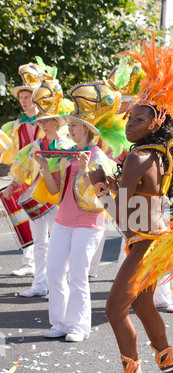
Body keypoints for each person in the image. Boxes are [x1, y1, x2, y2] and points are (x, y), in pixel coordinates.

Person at [96, 34, 173, 373]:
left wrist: (98, 184)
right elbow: (141, 204)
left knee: (113, 308)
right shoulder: (161, 153)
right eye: (129, 116)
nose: (129, 122)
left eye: (138, 118)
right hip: (155, 242)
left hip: (144, 245)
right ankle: (169, 372)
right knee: (140, 304)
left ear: (157, 121)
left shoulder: (140, 156)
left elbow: (120, 211)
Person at [34, 81, 120, 342]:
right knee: (55, 272)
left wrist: (86, 171)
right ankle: (59, 322)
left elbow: (103, 195)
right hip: (62, 221)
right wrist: (45, 169)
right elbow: (54, 190)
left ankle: (79, 326)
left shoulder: (100, 158)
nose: (68, 128)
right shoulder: (67, 153)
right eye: (69, 125)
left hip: (88, 224)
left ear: (86, 129)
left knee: (78, 276)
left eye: (72, 125)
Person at [9, 77, 73, 297]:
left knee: (58, 244)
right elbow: (23, 168)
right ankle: (39, 284)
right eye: (42, 122)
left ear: (57, 122)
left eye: (48, 121)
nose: (43, 125)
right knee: (39, 243)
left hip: (58, 200)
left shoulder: (67, 146)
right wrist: (12, 186)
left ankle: (58, 285)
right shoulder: (35, 145)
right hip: (37, 198)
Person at [1, 63, 46, 277]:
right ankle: (29, 263)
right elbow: (14, 151)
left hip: (44, 177)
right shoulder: (16, 124)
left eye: (27, 97)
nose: (24, 101)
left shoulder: (48, 121)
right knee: (24, 218)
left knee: (46, 223)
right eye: (22, 98)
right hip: (24, 177)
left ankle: (46, 267)